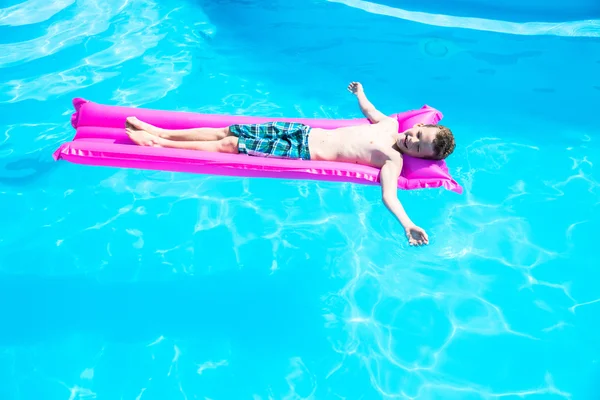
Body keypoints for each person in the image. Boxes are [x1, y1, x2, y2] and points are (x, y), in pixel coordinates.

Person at [125, 82, 455, 246]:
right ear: (418, 125)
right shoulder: (389, 126)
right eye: (417, 133)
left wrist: (407, 224)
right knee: (227, 130)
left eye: (419, 146)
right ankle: (161, 130)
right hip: (299, 131)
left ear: (420, 157)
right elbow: (371, 111)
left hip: (295, 152)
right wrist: (360, 93)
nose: (412, 138)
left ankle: (159, 143)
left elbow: (389, 196)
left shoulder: (393, 159)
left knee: (229, 145)